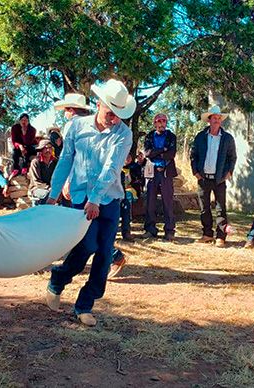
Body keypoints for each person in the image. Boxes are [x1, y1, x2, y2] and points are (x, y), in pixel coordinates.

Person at [45, 79, 134, 327]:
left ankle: (85, 304)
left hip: (109, 199)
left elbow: (112, 167)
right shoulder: (76, 127)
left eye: (118, 115)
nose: (113, 119)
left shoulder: (123, 133)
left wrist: (96, 199)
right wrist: (53, 194)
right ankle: (58, 279)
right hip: (82, 199)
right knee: (86, 246)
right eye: (110, 113)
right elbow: (65, 160)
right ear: (99, 104)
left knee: (105, 254)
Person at [190, 105, 237, 247]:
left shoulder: (227, 138)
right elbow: (193, 155)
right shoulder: (200, 137)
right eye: (214, 118)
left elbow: (232, 157)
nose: (216, 120)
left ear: (221, 121)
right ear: (209, 120)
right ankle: (207, 234)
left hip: (219, 179)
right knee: (204, 208)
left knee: (220, 207)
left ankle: (221, 236)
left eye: (218, 118)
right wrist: (196, 172)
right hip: (203, 178)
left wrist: (229, 173)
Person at [142, 113, 177, 241]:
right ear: (154, 123)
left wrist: (156, 153)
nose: (161, 123)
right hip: (152, 171)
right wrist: (163, 149)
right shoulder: (149, 136)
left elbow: (171, 154)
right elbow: (147, 153)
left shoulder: (171, 137)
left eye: (164, 121)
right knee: (150, 201)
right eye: (159, 121)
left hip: (166, 172)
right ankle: (150, 229)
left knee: (167, 202)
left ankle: (169, 230)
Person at [28, 139, 57, 206]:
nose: (48, 150)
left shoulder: (55, 161)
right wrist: (49, 188)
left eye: (50, 148)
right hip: (37, 188)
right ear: (41, 150)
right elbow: (37, 182)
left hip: (52, 188)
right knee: (48, 194)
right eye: (45, 148)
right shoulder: (35, 162)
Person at [10, 113, 38, 177]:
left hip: (30, 146)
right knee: (15, 151)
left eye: (25, 120)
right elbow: (14, 141)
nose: (24, 122)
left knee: (27, 150)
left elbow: (28, 142)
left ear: (28, 121)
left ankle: (24, 167)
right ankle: (16, 168)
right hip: (19, 147)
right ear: (19, 121)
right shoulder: (15, 128)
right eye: (22, 120)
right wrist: (20, 146)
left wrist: (24, 133)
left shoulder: (32, 130)